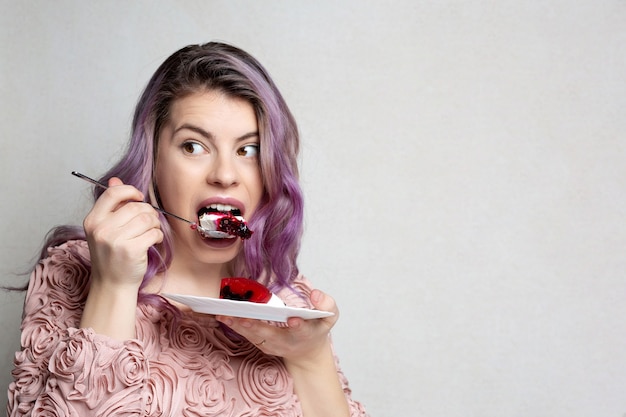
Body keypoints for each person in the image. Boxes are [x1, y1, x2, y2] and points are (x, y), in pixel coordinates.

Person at [6, 42, 368, 417]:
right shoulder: (72, 270)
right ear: (153, 160)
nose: (225, 175)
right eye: (194, 146)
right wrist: (112, 286)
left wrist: (309, 357)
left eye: (249, 150)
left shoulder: (289, 301)